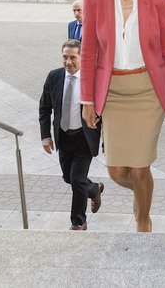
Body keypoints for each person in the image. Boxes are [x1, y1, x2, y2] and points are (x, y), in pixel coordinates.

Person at [80, 0, 165, 232]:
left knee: (139, 167)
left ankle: (143, 220)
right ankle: (143, 192)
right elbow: (88, 53)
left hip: (148, 92)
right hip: (111, 94)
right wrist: (88, 100)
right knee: (116, 171)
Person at [40, 39, 103, 230]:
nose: (68, 62)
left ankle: (78, 222)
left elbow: (105, 110)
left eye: (73, 57)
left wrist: (107, 140)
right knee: (69, 178)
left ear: (82, 57)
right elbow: (45, 108)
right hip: (63, 138)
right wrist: (45, 136)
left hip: (84, 138)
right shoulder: (54, 77)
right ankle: (94, 189)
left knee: (76, 180)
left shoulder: (93, 80)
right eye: (65, 58)